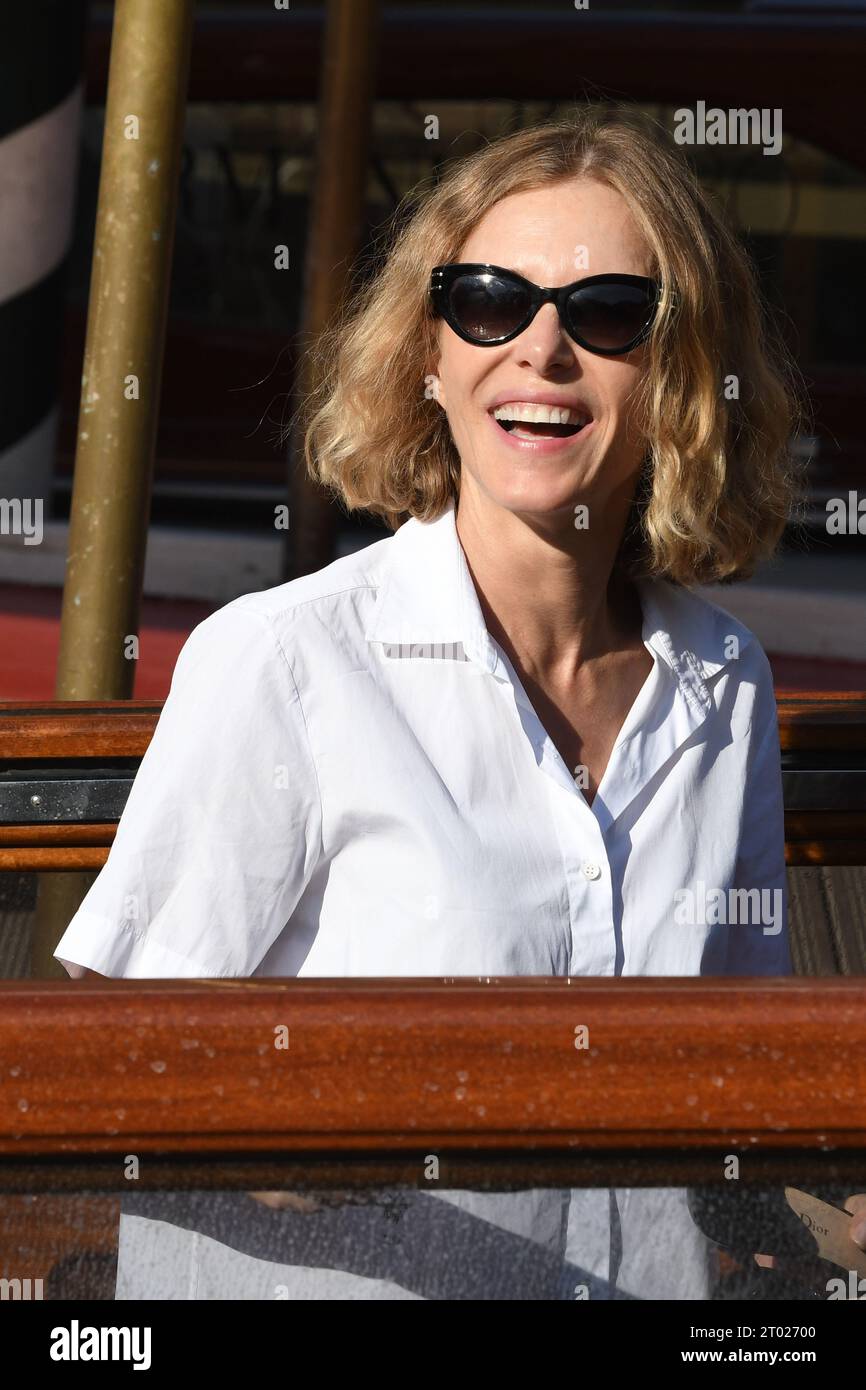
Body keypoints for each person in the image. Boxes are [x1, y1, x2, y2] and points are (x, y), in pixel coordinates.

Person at [53, 105, 814, 1300]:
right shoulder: (285, 662)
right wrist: (333, 1125)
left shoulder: (722, 681)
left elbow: (740, 1074)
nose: (540, 350)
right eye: (488, 301)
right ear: (430, 353)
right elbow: (107, 1065)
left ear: (678, 374)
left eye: (608, 313)